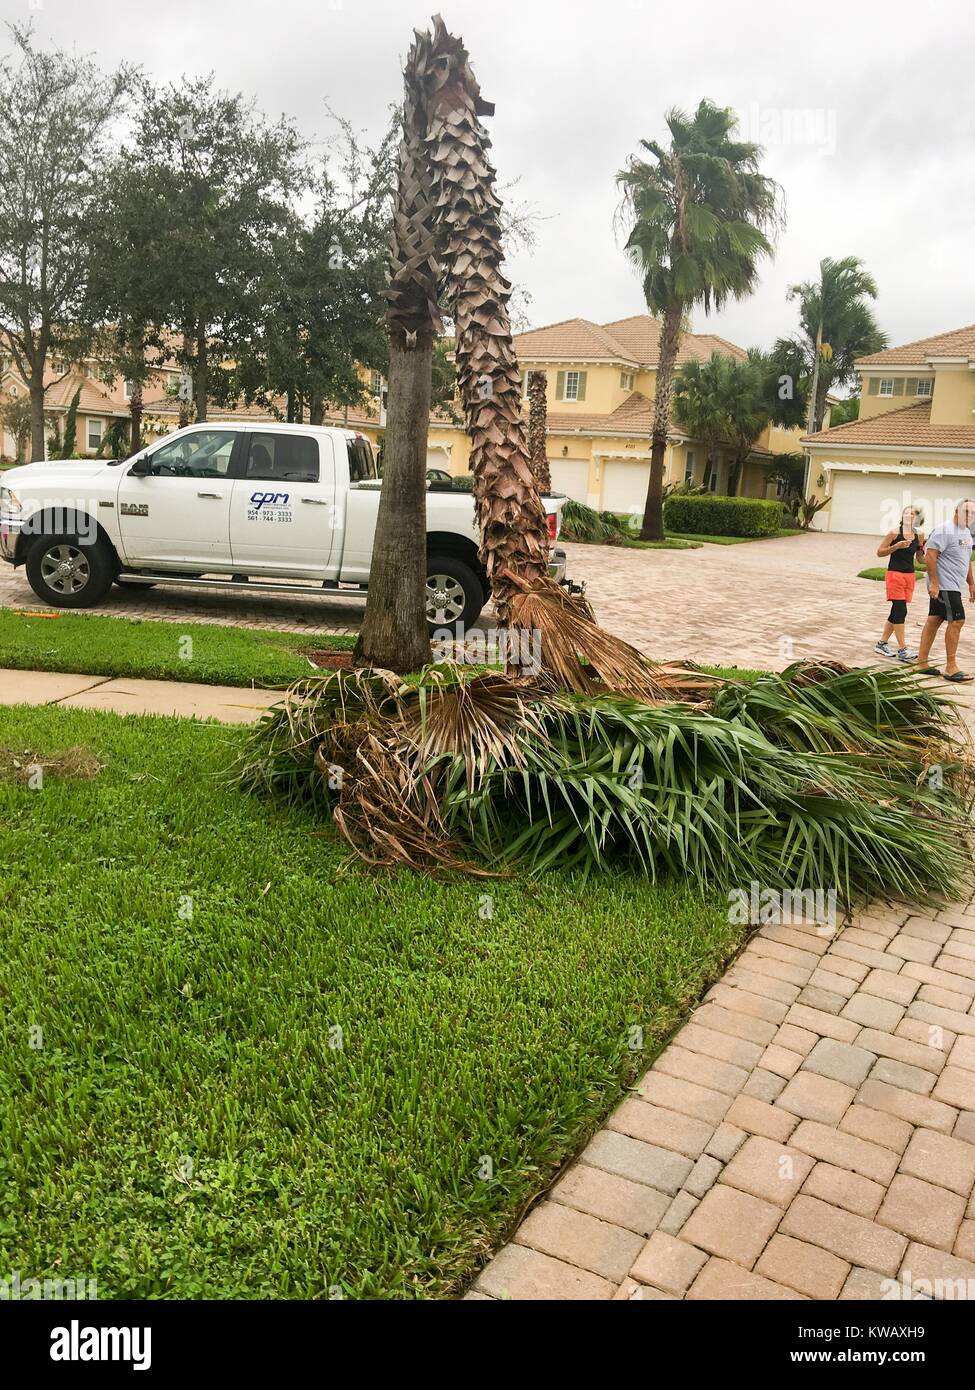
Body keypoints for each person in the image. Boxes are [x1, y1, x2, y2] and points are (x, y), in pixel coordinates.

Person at [916, 498, 975, 682]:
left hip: (954, 585)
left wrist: (971, 583)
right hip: (944, 585)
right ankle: (951, 667)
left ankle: (921, 663)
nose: (970, 516)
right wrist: (934, 583)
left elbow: (966, 561)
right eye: (967, 511)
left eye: (973, 513)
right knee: (957, 620)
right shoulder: (944, 530)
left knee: (934, 619)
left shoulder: (966, 533)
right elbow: (931, 556)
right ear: (956, 511)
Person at [874, 506, 925, 661]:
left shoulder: (920, 535)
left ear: (917, 518)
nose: (909, 515)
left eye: (913, 513)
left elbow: (920, 558)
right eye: (906, 512)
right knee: (900, 610)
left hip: (909, 576)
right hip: (895, 574)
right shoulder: (894, 533)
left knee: (896, 611)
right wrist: (897, 546)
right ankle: (903, 649)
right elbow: (879, 552)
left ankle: (881, 644)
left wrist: (932, 561)